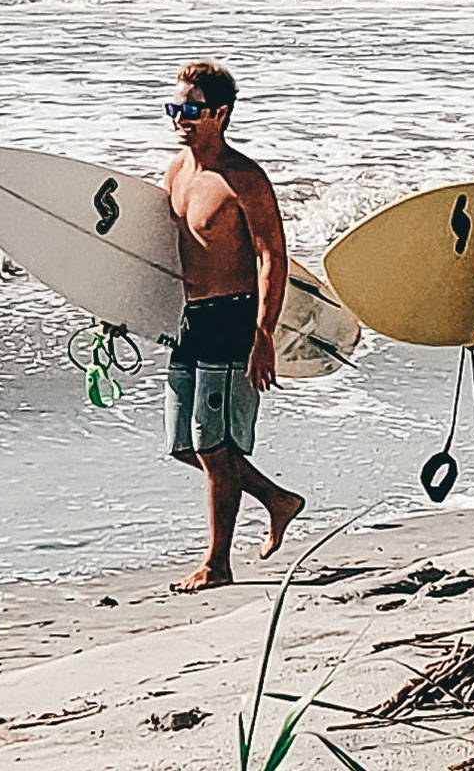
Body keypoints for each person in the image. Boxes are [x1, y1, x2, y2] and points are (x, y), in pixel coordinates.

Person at [163, 62, 305, 592]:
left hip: (233, 316)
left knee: (213, 446)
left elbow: (273, 256)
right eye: (174, 109)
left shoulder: (245, 178)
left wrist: (263, 333)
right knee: (185, 443)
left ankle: (218, 564)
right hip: (188, 319)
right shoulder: (177, 170)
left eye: (192, 110)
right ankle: (277, 499)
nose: (181, 119)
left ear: (220, 114)